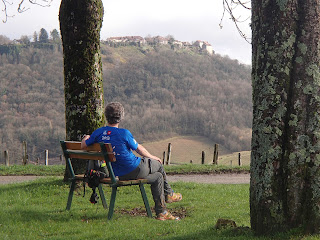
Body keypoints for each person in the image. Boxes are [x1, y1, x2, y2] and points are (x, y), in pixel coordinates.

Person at [81, 102, 182, 221]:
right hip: (135, 169)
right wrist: (152, 157)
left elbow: (83, 145)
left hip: (117, 173)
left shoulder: (98, 133)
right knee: (158, 164)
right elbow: (139, 149)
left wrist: (86, 138)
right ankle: (169, 194)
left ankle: (162, 212)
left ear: (106, 116)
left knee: (158, 177)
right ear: (120, 117)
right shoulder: (124, 133)